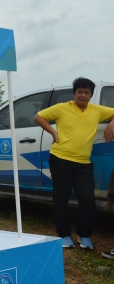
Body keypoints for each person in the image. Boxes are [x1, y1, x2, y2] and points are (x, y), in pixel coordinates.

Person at [34, 77, 114, 250]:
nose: (83, 95)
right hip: (60, 159)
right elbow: (38, 117)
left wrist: (111, 125)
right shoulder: (62, 108)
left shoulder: (97, 110)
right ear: (74, 93)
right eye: (80, 92)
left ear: (91, 94)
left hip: (83, 163)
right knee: (61, 198)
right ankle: (64, 235)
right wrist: (54, 133)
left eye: (86, 92)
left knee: (87, 199)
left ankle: (84, 235)